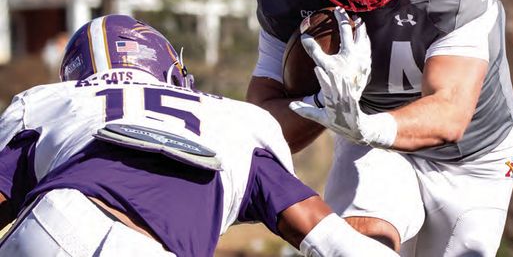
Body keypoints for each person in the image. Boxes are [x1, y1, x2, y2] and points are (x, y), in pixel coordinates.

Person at [246, 0, 513, 256]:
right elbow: (262, 126)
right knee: (359, 246)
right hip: (373, 143)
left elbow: (450, 112)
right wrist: (326, 101)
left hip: (474, 157)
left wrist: (365, 126)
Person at [0, 15, 398, 257]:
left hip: (56, 221)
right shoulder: (235, 120)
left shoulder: (54, 101)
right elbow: (325, 235)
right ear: (172, 71)